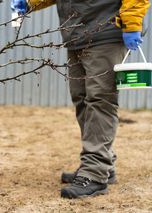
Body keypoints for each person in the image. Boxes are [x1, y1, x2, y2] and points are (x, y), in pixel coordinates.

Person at [11, 0, 150, 199]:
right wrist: (29, 2)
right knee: (81, 98)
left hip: (106, 31)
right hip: (78, 33)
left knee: (99, 100)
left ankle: (94, 173)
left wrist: (132, 23)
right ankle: (103, 164)